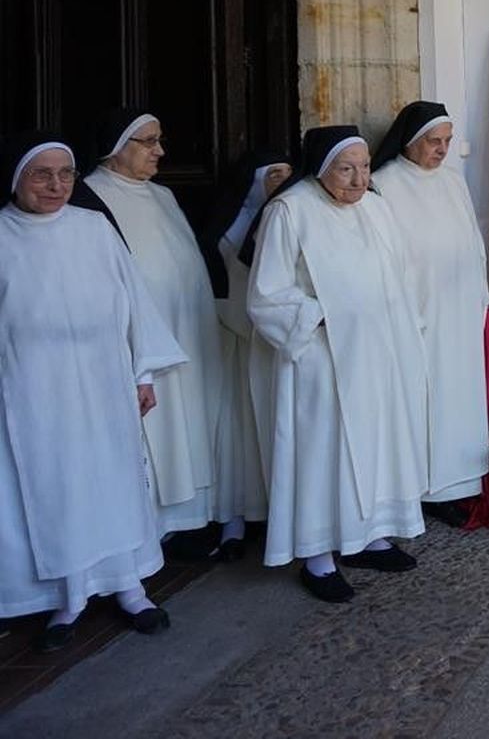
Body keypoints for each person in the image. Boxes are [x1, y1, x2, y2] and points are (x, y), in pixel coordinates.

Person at [0, 132, 186, 651]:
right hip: (33, 393)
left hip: (105, 384)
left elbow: (133, 301)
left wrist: (143, 373)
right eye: (42, 174)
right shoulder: (1, 235)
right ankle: (69, 596)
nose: (57, 185)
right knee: (58, 490)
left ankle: (130, 587)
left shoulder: (95, 227)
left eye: (66, 174)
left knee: (112, 482)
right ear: (16, 179)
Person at [246, 126, 430, 602]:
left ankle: (367, 535)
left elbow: (398, 272)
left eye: (364, 167)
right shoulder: (290, 211)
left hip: (375, 350)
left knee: (374, 443)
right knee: (323, 453)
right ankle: (318, 555)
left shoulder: (374, 205)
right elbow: (267, 293)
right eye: (345, 169)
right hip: (320, 356)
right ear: (321, 168)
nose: (357, 180)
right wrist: (319, 314)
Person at [83, 109, 227, 552]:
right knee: (154, 434)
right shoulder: (89, 198)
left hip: (186, 334)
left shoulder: (163, 195)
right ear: (115, 148)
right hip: (143, 343)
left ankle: (189, 519)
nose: (160, 151)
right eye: (148, 142)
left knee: (188, 424)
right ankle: (153, 529)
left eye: (159, 140)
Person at [372, 101, 489, 526]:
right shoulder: (384, 185)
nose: (441, 150)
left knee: (458, 399)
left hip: (458, 312)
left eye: (446, 141)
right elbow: (382, 256)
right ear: (409, 141)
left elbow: (473, 242)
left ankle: (459, 485)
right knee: (425, 400)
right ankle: (425, 490)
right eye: (433, 142)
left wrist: (479, 293)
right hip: (419, 314)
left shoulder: (452, 180)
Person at [198, 150, 293, 560]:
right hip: (233, 338)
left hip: (274, 340)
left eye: (290, 173)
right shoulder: (228, 226)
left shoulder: (290, 219)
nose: (284, 179)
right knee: (237, 434)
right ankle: (235, 517)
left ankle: (277, 513)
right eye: (274, 174)